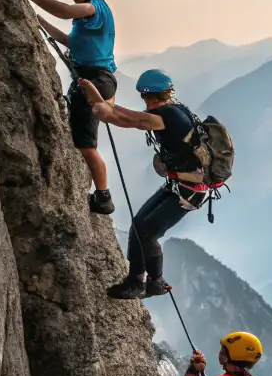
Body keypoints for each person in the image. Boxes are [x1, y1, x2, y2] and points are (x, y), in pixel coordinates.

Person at [77, 69, 208, 300]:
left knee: (148, 232)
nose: (144, 101)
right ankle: (136, 280)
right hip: (180, 186)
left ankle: (154, 282)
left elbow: (121, 118)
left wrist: (94, 96)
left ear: (150, 95)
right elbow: (119, 114)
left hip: (188, 191)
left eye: (144, 96)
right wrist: (94, 93)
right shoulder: (174, 110)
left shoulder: (163, 117)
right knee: (139, 225)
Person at [19, 0, 118, 215]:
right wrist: (37, 20)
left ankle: (103, 196)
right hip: (92, 79)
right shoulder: (84, 20)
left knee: (86, 144)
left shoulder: (96, 8)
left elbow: (63, 11)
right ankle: (99, 192)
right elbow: (70, 42)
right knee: (79, 139)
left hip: (97, 80)